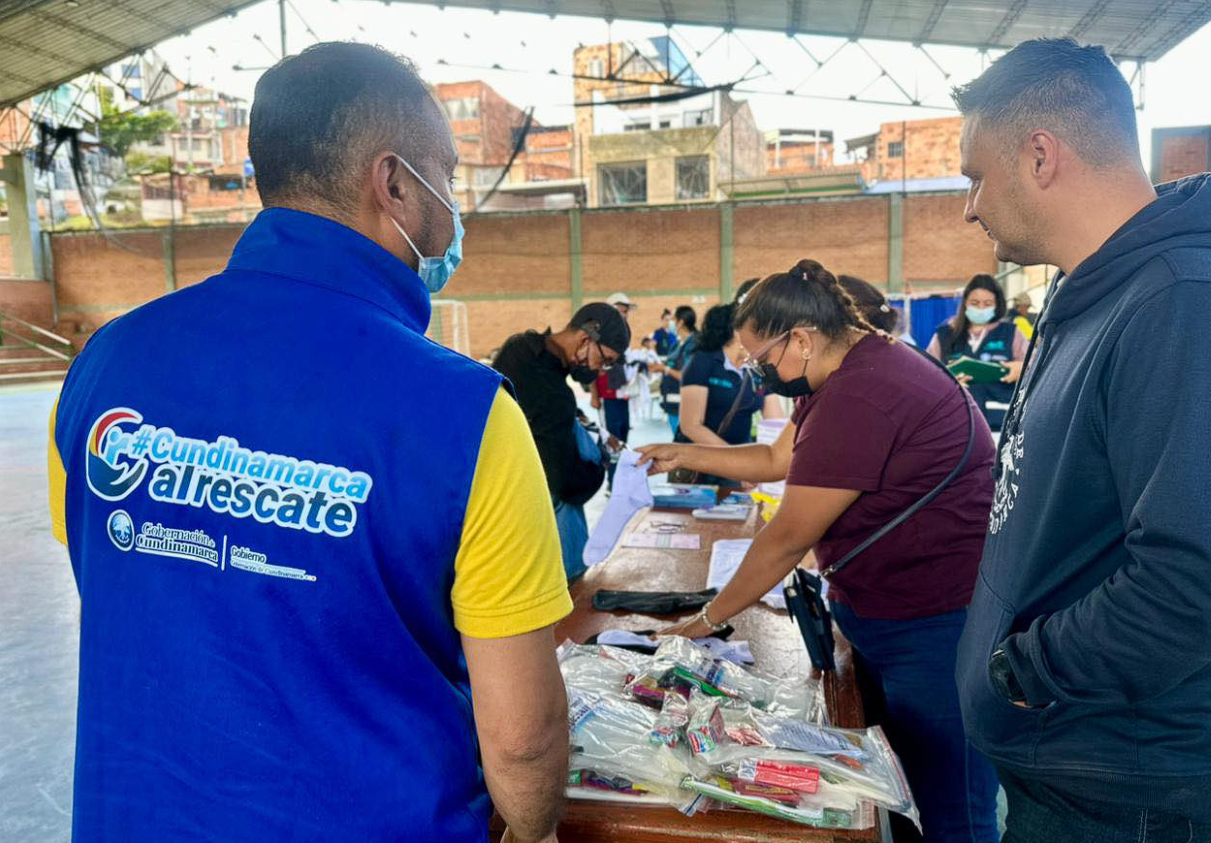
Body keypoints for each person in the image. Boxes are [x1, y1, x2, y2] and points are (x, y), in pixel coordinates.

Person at [47, 43, 571, 843]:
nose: (454, 205)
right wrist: (533, 828)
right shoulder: (468, 416)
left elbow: (129, 584)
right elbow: (523, 739)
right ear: (394, 183)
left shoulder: (104, 364)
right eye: (449, 175)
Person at [637, 260, 1000, 843]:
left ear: (801, 339)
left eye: (761, 359)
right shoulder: (844, 371)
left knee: (949, 804)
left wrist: (706, 619)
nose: (759, 373)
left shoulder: (862, 393)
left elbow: (787, 538)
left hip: (933, 624)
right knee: (901, 791)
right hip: (890, 613)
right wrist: (686, 453)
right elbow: (776, 460)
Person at [952, 37, 1211, 843]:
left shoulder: (1175, 302)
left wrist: (1027, 669)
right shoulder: (1085, 294)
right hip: (1063, 769)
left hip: (1122, 792)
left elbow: (1189, 580)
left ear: (1039, 156)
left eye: (974, 177)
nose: (968, 207)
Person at [493, 302, 629, 581]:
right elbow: (565, 482)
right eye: (604, 360)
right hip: (531, 509)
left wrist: (583, 424)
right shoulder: (552, 392)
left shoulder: (520, 347)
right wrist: (600, 466)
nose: (601, 370)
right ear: (585, 339)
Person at [674, 302, 784, 477]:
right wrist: (736, 463)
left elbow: (776, 423)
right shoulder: (703, 361)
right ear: (737, 332)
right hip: (701, 467)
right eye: (757, 332)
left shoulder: (757, 370)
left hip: (739, 468)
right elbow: (691, 426)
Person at [926, 273, 1028, 431]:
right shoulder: (944, 335)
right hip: (955, 422)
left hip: (1001, 424)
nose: (981, 308)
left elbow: (1036, 369)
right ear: (965, 303)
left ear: (997, 305)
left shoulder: (1011, 333)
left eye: (988, 303)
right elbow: (927, 377)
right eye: (975, 303)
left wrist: (1023, 368)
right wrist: (946, 382)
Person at [659, 305, 698, 434]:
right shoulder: (677, 344)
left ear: (680, 322)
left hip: (685, 404)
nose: (669, 323)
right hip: (673, 404)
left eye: (672, 319)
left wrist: (664, 368)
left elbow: (686, 375)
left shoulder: (694, 344)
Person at [627, 336, 662, 422]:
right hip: (645, 379)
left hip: (653, 379)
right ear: (646, 343)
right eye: (651, 342)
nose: (653, 343)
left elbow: (658, 365)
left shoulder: (652, 352)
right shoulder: (641, 353)